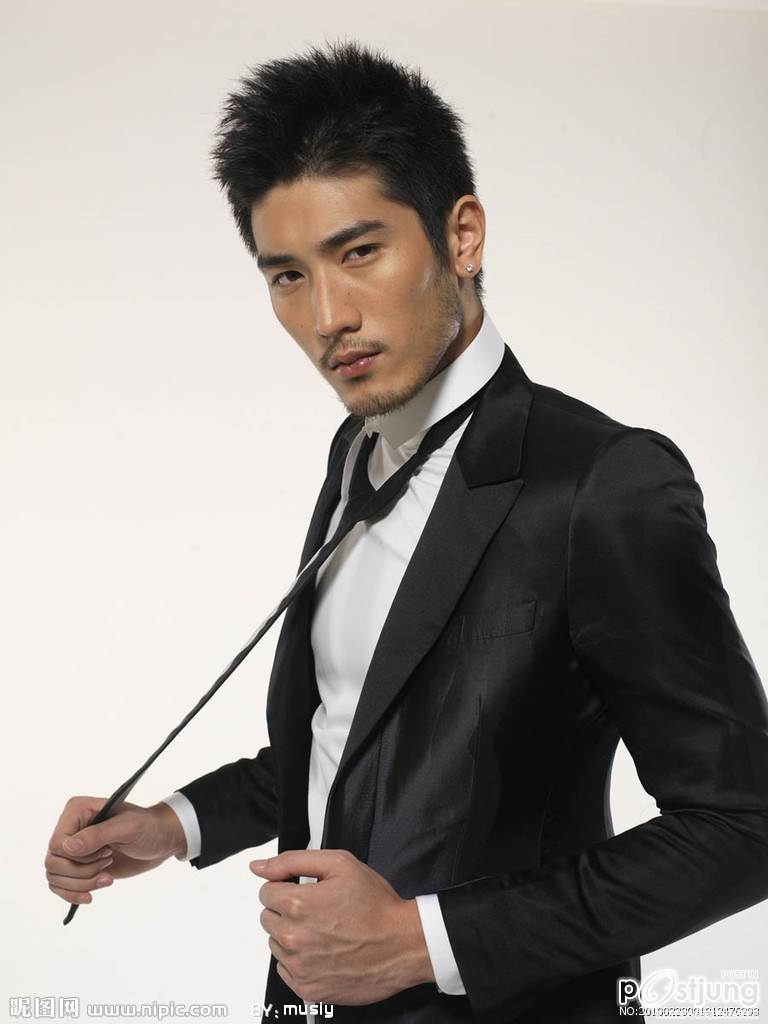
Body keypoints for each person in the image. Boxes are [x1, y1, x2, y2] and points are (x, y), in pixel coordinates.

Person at [45, 39, 768, 1023]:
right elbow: (354, 735)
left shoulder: (603, 484)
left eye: (359, 253)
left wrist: (425, 940)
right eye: (286, 275)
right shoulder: (357, 451)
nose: (326, 316)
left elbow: (741, 826)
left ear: (461, 236)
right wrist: (172, 825)